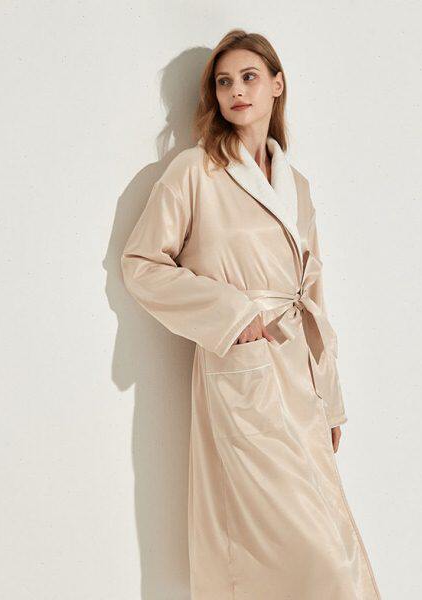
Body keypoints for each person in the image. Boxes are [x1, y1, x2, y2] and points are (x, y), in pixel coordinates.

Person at [121, 28, 381, 600]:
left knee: (328, 531)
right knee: (280, 542)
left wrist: (330, 398)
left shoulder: (297, 185)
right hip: (242, 371)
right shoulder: (195, 171)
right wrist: (231, 315)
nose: (236, 91)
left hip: (299, 378)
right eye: (223, 82)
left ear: (277, 85)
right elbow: (141, 263)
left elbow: (313, 293)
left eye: (249, 77)